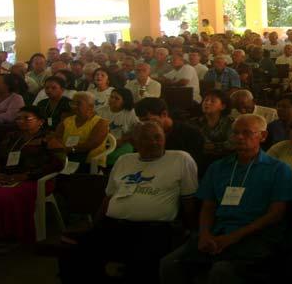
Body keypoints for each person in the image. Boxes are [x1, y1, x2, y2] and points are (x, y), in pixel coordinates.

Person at [160, 114, 292, 284]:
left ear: (263, 136)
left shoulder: (278, 169)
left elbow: (276, 214)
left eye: (247, 133)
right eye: (235, 133)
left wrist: (234, 237)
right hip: (219, 231)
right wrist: (204, 234)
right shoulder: (218, 167)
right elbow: (208, 206)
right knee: (169, 264)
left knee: (221, 271)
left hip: (256, 235)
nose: (239, 137)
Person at [61, 121, 198, 283]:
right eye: (146, 138)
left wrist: (190, 231)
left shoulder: (180, 159)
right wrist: (95, 225)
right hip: (114, 225)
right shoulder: (124, 160)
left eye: (157, 137)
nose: (154, 142)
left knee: (139, 266)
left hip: (154, 229)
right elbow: (109, 198)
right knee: (74, 254)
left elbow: (189, 201)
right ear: (135, 142)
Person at [0, 106, 65, 245]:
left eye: (26, 118)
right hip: (7, 177)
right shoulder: (12, 136)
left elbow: (58, 164)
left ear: (40, 121)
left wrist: (27, 175)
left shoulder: (48, 138)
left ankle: (8, 236)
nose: (21, 121)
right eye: (18, 118)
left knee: (6, 197)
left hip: (34, 180)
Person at [56, 91, 110, 170]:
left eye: (78, 103)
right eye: (72, 103)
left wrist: (69, 149)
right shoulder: (67, 121)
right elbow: (57, 138)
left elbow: (91, 144)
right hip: (66, 158)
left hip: (90, 162)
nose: (74, 106)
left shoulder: (101, 123)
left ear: (90, 106)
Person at [97, 88, 140, 166]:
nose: (112, 100)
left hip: (123, 143)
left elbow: (137, 129)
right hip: (102, 142)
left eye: (117, 98)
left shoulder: (130, 113)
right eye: (111, 97)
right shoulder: (100, 111)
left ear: (125, 101)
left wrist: (123, 140)